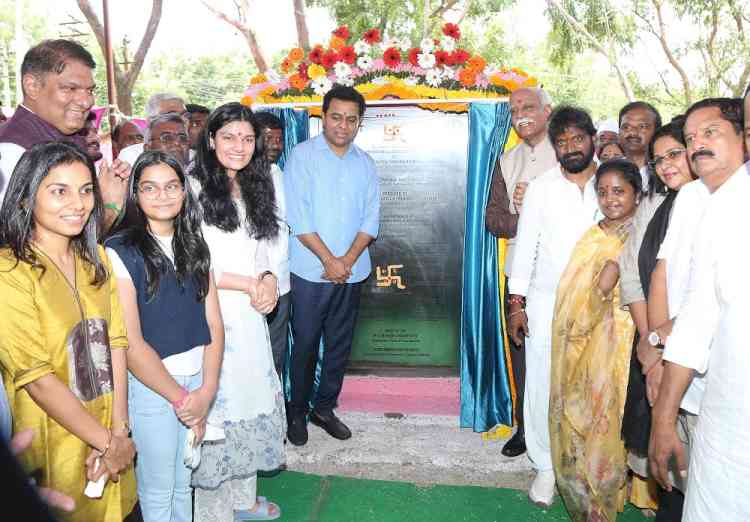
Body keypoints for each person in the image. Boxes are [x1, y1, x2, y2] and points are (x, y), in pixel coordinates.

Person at [0, 142, 136, 521]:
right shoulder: (10, 271)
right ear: (26, 200)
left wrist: (119, 433)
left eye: (86, 190)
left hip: (111, 430)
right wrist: (106, 442)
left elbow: (117, 343)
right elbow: (36, 377)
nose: (78, 203)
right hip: (52, 439)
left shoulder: (98, 259)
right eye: (60, 191)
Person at [105, 151, 224, 522]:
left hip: (195, 385)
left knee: (182, 485)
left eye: (172, 186)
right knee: (157, 494)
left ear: (184, 192)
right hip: (153, 388)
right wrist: (184, 399)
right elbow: (131, 342)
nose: (163, 195)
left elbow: (215, 325)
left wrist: (206, 392)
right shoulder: (119, 250)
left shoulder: (194, 243)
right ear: (135, 195)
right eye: (150, 188)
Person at [649, 97, 748, 521]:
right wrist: (663, 419)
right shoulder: (722, 204)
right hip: (729, 420)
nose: (696, 146)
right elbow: (696, 319)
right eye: (690, 138)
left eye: (710, 133)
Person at [190, 102, 285, 521]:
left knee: (250, 400)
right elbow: (193, 261)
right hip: (210, 311)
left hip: (249, 315)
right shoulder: (190, 188)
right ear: (211, 140)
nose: (239, 146)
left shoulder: (253, 184)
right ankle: (213, 513)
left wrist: (267, 279)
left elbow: (261, 246)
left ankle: (242, 501)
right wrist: (251, 284)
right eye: (228, 137)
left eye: (248, 138)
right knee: (218, 410)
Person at [507, 105, 600, 507]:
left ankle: (585, 464)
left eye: (578, 138)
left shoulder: (615, 181)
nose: (570, 147)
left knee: (594, 384)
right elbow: (525, 247)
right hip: (547, 302)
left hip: (603, 304)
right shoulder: (542, 186)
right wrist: (517, 304)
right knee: (542, 382)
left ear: (592, 138)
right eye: (561, 141)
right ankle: (545, 465)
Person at [284, 85, 380, 447]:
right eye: (335, 117)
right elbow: (299, 217)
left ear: (359, 123)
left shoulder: (365, 163)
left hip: (351, 272)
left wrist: (347, 261)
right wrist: (329, 260)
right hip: (310, 271)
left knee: (339, 345)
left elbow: (371, 220)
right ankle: (297, 411)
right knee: (306, 344)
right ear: (323, 117)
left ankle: (324, 409)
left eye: (351, 119)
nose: (343, 125)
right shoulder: (302, 156)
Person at [549, 159, 641, 521]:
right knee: (584, 414)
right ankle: (590, 495)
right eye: (603, 192)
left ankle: (613, 495)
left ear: (637, 192)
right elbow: (572, 292)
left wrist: (612, 276)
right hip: (582, 342)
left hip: (622, 340)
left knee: (613, 415)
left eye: (619, 191)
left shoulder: (642, 234)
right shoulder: (593, 235)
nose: (610, 199)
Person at [619, 117, 696, 521]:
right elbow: (635, 271)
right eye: (659, 158)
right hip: (655, 344)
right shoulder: (655, 203)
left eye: (675, 154)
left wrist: (659, 347)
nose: (666, 165)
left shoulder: (715, 203)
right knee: (671, 468)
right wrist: (649, 345)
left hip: (694, 356)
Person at [484, 86, 557, 458]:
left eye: (528, 107)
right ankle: (525, 429)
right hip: (520, 277)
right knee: (523, 357)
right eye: (514, 110)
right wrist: (520, 216)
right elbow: (493, 220)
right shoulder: (506, 160)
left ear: (548, 111)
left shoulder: (569, 153)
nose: (521, 115)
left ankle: (561, 434)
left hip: (564, 273)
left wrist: (542, 211)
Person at [0, 39, 128, 231]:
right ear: (32, 86)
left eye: (90, 90)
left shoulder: (66, 137)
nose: (86, 101)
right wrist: (109, 207)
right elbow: (26, 245)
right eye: (70, 88)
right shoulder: (11, 151)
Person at [255, 111, 289, 379]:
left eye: (279, 139)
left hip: (283, 282)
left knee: (276, 356)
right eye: (268, 139)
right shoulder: (240, 177)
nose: (275, 145)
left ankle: (275, 416)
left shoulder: (278, 173)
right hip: (250, 283)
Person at [118, 93, 188, 167]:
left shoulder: (195, 154)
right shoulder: (130, 155)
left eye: (185, 115)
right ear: (150, 121)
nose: (183, 120)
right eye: (172, 115)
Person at [619, 101, 662, 189]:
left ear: (657, 132)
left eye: (642, 126)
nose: (633, 132)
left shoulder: (667, 171)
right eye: (626, 127)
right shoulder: (609, 172)